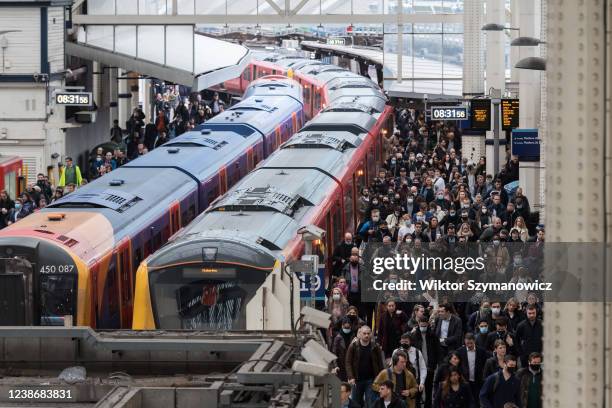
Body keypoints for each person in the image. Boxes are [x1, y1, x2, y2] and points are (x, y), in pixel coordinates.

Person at [346, 326, 385, 407]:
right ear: (360, 334)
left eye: (368, 333)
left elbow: (380, 363)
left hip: (371, 380)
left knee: (371, 403)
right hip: (357, 380)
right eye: (364, 333)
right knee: (356, 403)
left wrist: (381, 378)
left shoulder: (375, 346)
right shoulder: (353, 346)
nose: (366, 335)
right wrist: (351, 377)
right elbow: (348, 362)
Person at [456, 333, 489, 405]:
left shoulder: (481, 351)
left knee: (476, 401)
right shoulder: (460, 351)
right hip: (465, 381)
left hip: (477, 381)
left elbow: (485, 365)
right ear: (465, 341)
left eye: (471, 343)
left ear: (474, 341)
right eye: (468, 343)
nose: (469, 345)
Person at [333, 317, 357, 382]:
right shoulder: (338, 338)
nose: (347, 329)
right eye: (345, 328)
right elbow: (334, 352)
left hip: (351, 364)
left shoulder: (353, 336)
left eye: (348, 328)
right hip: (341, 364)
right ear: (342, 326)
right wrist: (335, 365)